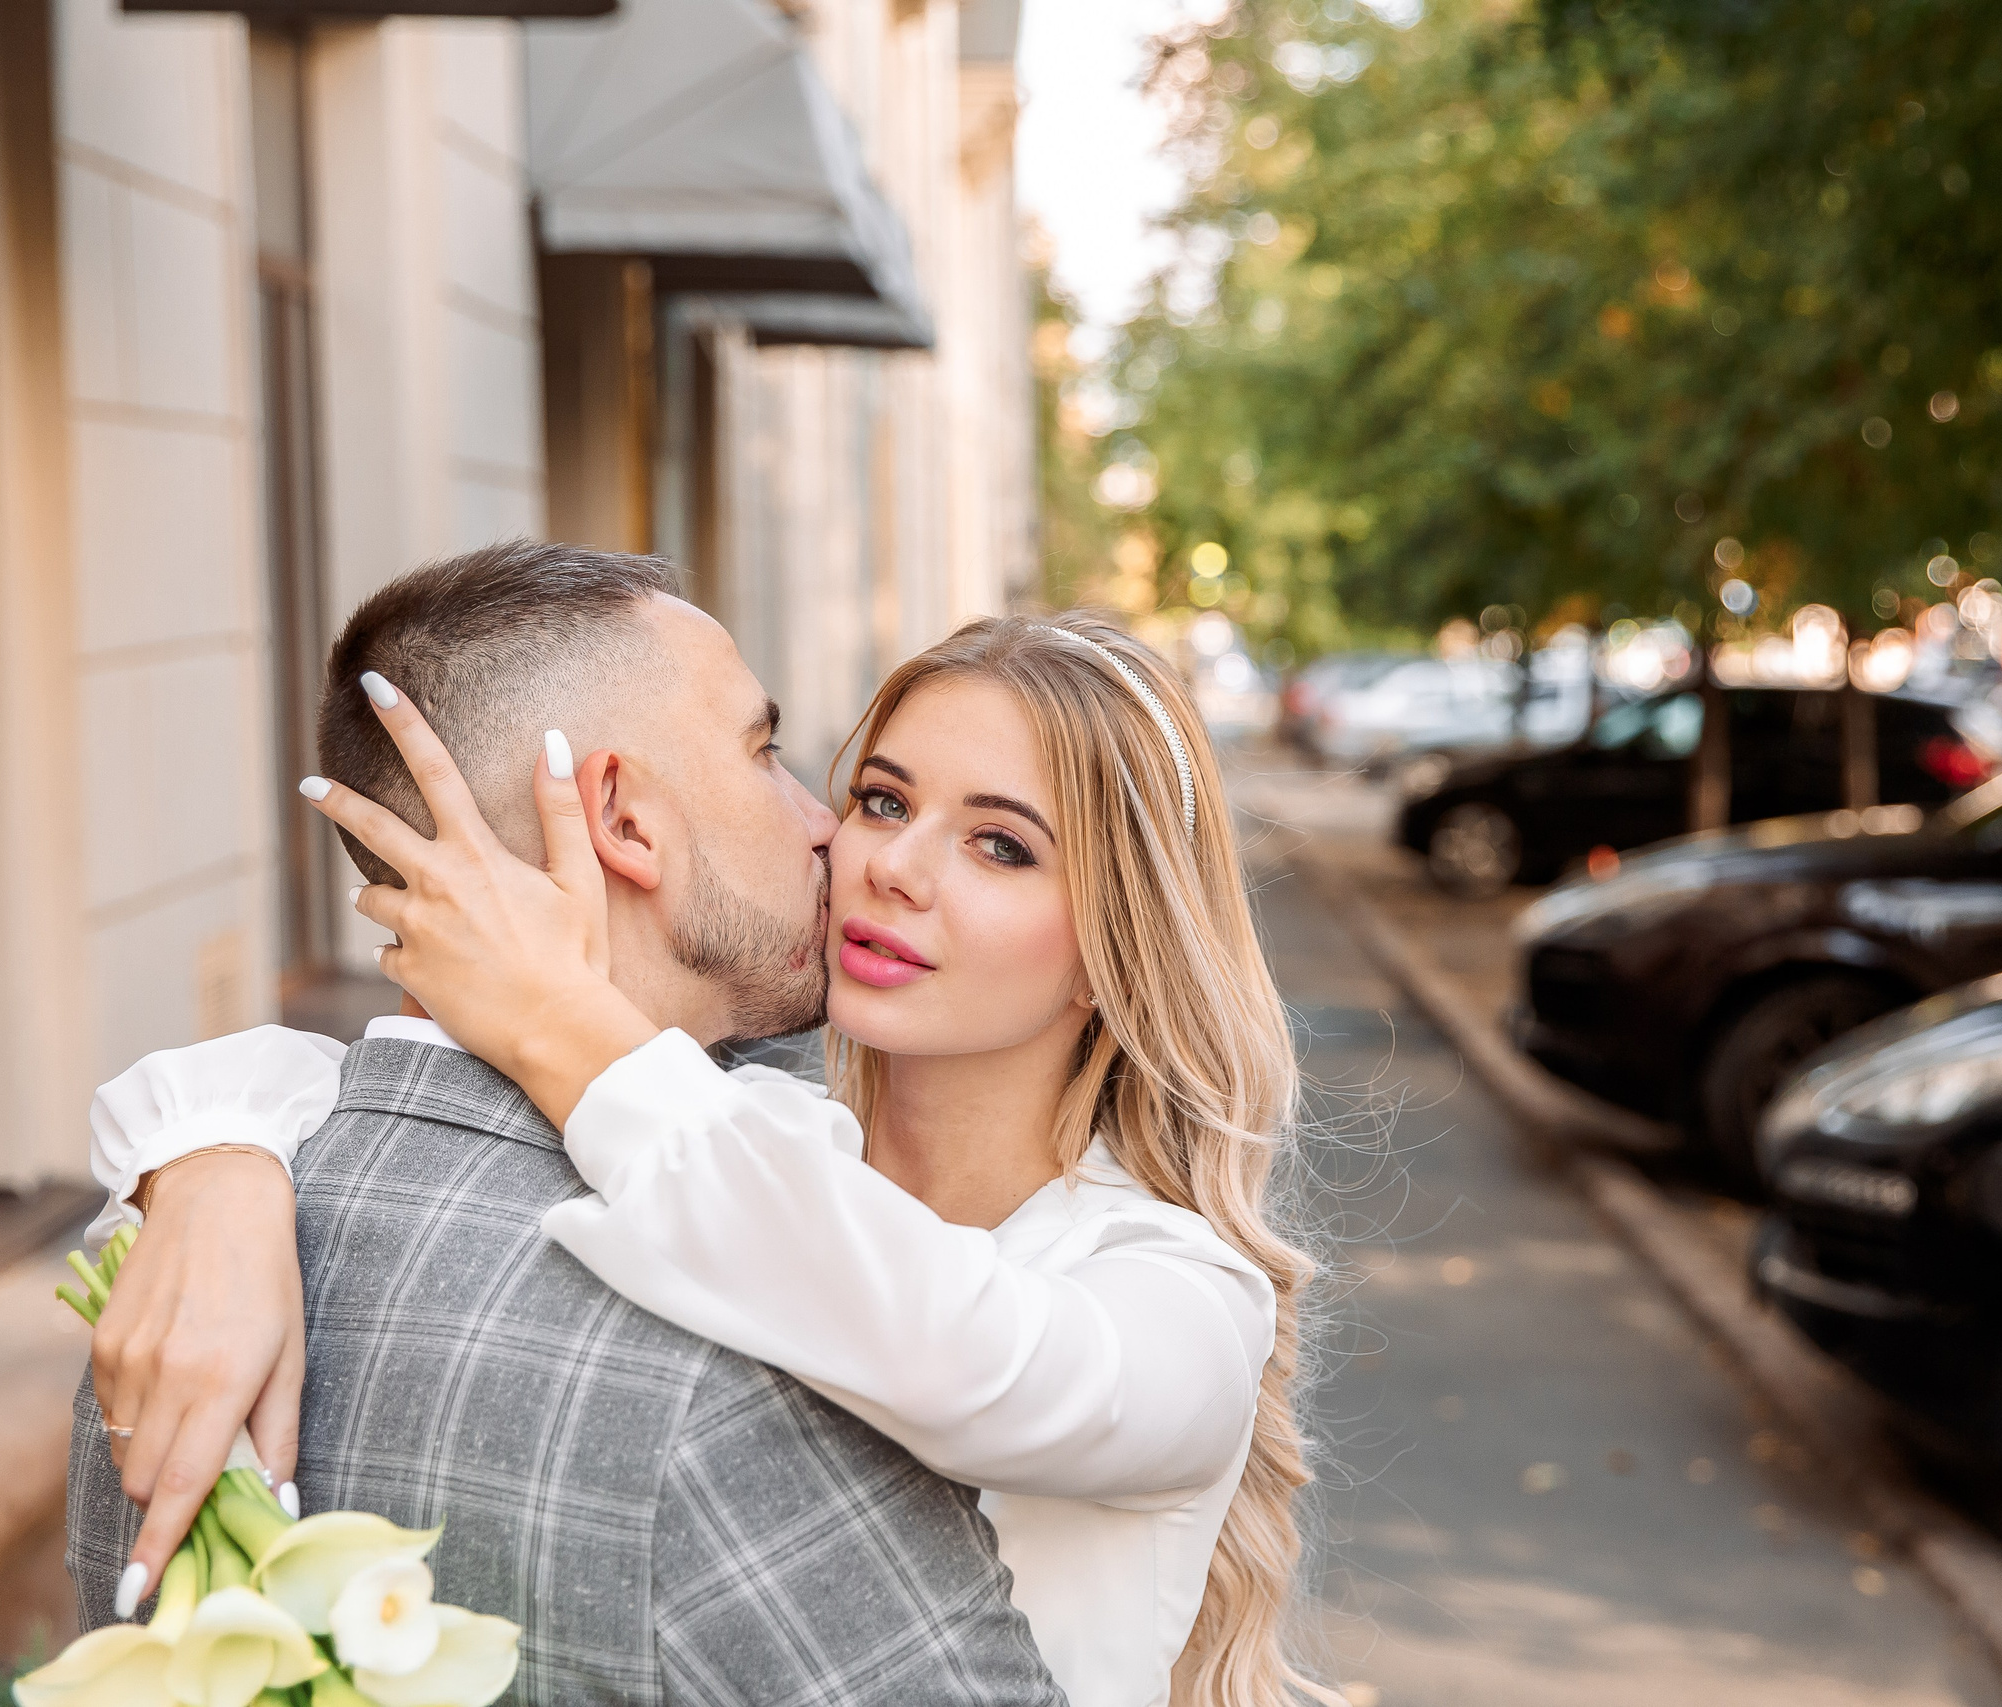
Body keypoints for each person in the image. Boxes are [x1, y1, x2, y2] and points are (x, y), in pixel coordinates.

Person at [91, 549, 1333, 1706]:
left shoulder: (1178, 1300)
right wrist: (214, 1168)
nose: (884, 863)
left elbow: (948, 1343)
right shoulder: (743, 1131)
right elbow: (360, 1094)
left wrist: (556, 1015)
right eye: (882, 799)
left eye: (1001, 846)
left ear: (1114, 949)